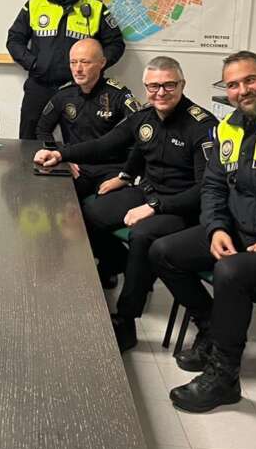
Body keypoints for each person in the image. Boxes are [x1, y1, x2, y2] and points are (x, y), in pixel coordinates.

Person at [150, 51, 256, 413]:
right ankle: (211, 327)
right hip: (238, 230)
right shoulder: (227, 128)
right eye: (233, 85)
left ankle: (224, 375)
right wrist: (217, 227)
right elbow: (214, 187)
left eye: (250, 80)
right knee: (163, 251)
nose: (242, 90)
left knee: (230, 272)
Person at [34, 56, 214, 351]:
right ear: (145, 87)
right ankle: (120, 264)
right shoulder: (145, 117)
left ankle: (126, 319)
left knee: (142, 235)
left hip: (181, 205)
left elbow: (204, 189)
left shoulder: (201, 125)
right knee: (87, 212)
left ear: (182, 84)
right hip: (148, 192)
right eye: (153, 86)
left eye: (169, 85)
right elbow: (106, 144)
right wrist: (62, 155)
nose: (161, 92)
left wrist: (154, 207)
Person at [7, 0, 124, 139]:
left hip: (80, 90)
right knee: (29, 140)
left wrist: (95, 67)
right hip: (40, 86)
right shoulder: (35, 4)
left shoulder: (96, 8)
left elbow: (116, 44)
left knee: (81, 142)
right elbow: (14, 39)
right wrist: (33, 64)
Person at [35, 38, 141, 197]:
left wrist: (126, 174)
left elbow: (140, 132)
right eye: (73, 62)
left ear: (102, 63)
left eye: (85, 62)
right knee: (51, 197)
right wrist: (58, 156)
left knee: (109, 206)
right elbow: (42, 129)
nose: (78, 69)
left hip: (110, 168)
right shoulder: (63, 94)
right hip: (75, 163)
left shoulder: (119, 95)